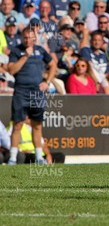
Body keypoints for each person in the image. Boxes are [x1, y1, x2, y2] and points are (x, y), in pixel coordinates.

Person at [6, 26, 57, 165]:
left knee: (37, 125)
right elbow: (11, 70)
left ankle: (39, 157)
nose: (28, 40)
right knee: (18, 124)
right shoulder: (16, 51)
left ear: (35, 38)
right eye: (25, 37)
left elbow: (53, 65)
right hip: (21, 91)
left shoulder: (41, 51)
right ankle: (13, 158)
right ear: (22, 37)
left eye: (30, 38)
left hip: (37, 92)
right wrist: (25, 56)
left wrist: (47, 81)